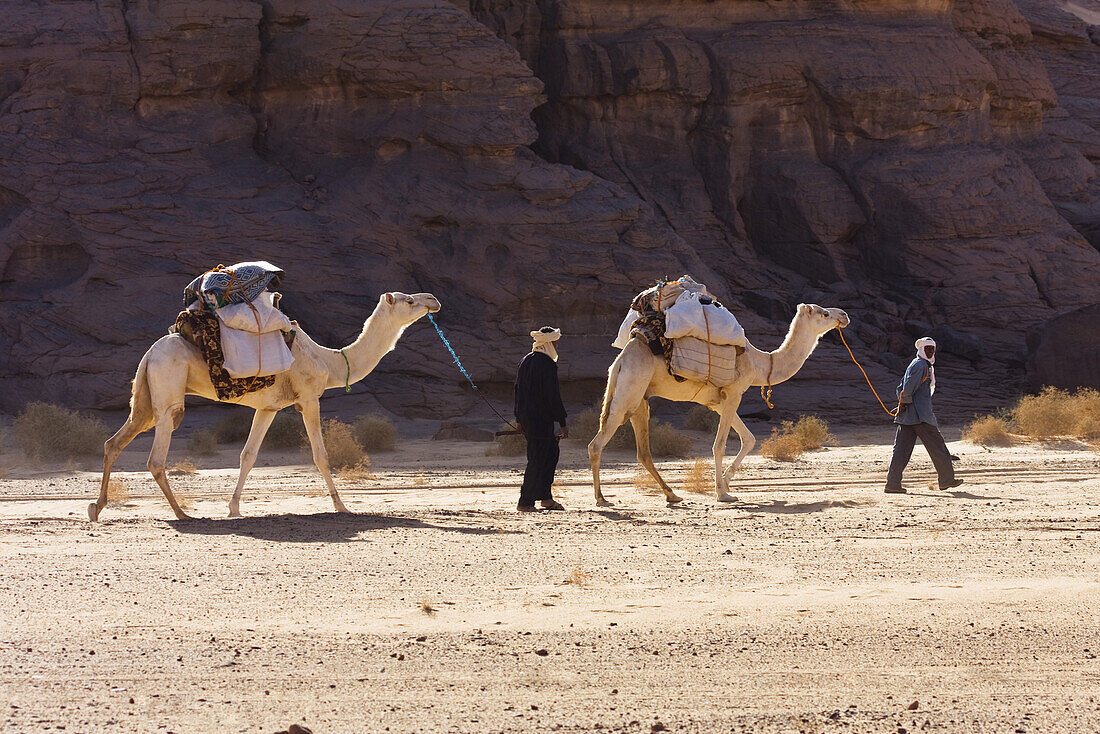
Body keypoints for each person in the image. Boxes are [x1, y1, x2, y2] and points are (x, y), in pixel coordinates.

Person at [885, 337, 963, 494]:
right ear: (921, 349)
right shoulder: (921, 365)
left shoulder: (917, 364)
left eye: (932, 349)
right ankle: (947, 480)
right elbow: (906, 388)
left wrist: (902, 405)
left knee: (901, 450)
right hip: (920, 416)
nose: (930, 351)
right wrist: (902, 404)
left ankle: (892, 484)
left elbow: (901, 388)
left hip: (908, 416)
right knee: (937, 446)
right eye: (927, 348)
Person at [513, 327, 569, 511]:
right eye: (555, 342)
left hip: (528, 419)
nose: (557, 344)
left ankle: (546, 498)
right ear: (548, 343)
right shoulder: (547, 364)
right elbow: (553, 396)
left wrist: (518, 419)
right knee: (538, 460)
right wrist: (562, 422)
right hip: (540, 420)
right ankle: (525, 502)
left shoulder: (526, 360)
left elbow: (517, 391)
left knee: (549, 456)